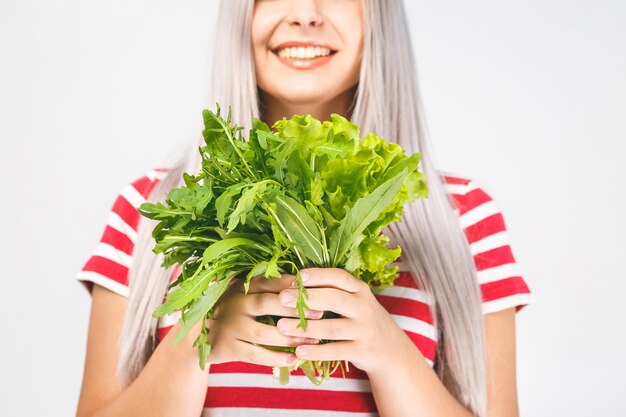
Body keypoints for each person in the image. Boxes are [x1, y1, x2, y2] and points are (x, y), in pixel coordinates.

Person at [75, 1, 534, 416]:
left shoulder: (465, 218)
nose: (305, 14)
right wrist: (199, 336)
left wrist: (390, 353)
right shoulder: (150, 209)